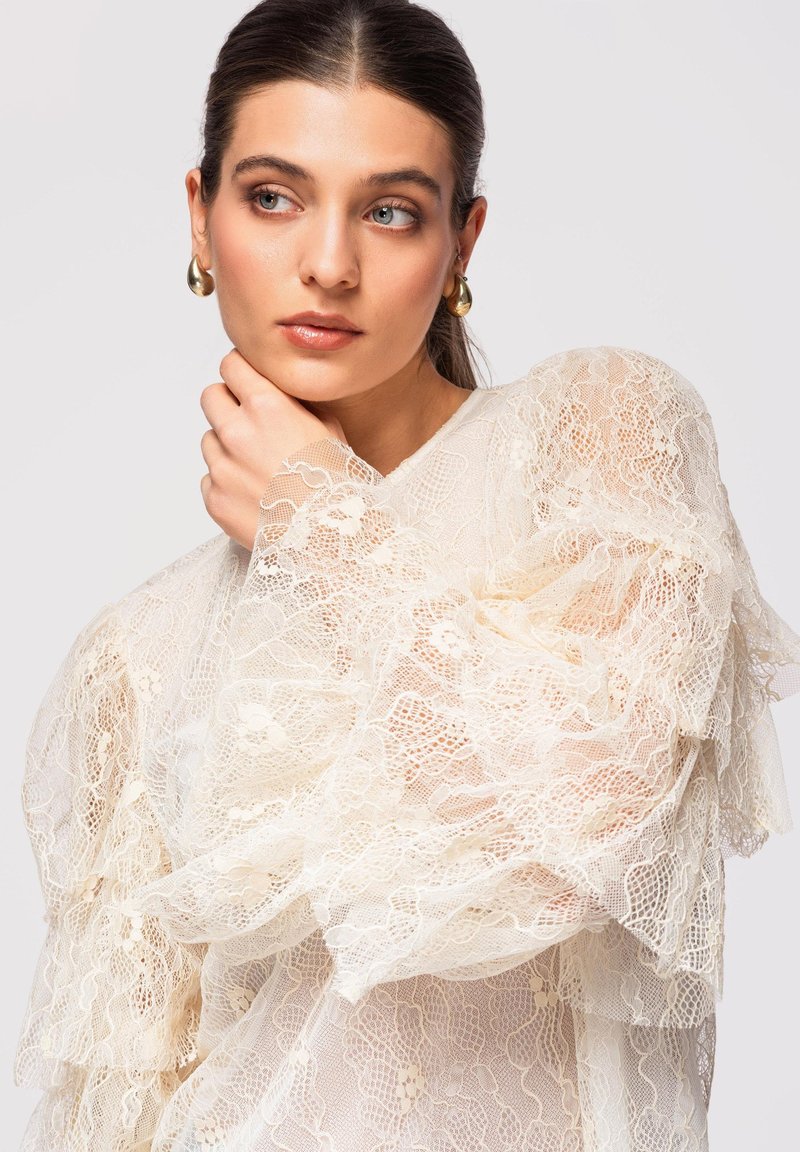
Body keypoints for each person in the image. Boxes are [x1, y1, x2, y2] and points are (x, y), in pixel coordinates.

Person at [13, 1, 800, 1149]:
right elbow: (119, 1111)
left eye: (388, 211)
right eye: (272, 197)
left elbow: (592, 824)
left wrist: (321, 522)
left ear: (461, 241)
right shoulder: (134, 654)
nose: (327, 265)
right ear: (199, 216)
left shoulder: (597, 433)